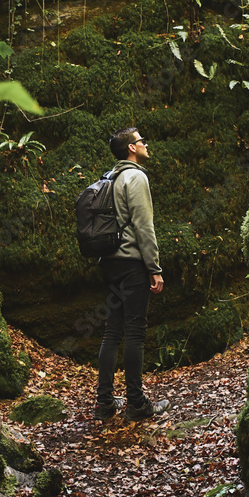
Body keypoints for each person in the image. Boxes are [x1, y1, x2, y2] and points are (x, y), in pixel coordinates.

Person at [94, 127, 171, 422]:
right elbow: (144, 227)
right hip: (131, 263)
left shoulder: (108, 178)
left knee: (112, 331)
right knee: (135, 331)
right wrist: (154, 268)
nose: (145, 143)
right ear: (131, 149)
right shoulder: (135, 177)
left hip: (109, 263)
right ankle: (136, 404)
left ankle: (104, 404)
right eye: (141, 141)